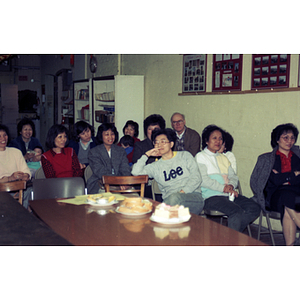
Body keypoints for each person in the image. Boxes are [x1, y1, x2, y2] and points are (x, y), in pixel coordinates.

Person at [195, 125, 261, 233]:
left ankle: (228, 235)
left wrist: (231, 185)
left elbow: (233, 176)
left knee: (254, 207)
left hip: (228, 195)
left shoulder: (223, 158)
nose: (218, 141)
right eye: (214, 138)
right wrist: (223, 188)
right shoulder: (200, 157)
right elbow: (203, 180)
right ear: (206, 140)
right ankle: (231, 239)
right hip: (210, 197)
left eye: (220, 138)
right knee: (236, 211)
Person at [132, 128, 204, 214]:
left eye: (163, 141)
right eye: (156, 142)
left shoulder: (185, 156)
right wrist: (147, 155)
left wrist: (182, 192)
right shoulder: (155, 166)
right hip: (170, 202)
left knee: (173, 199)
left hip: (193, 197)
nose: (159, 145)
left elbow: (196, 178)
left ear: (171, 144)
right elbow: (135, 172)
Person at [250, 123, 300, 246]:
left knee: (288, 207)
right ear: (277, 139)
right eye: (285, 137)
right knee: (286, 196)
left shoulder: (298, 157)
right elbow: (258, 182)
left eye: (292, 138)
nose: (290, 141)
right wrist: (294, 174)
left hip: (296, 195)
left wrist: (282, 177)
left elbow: (278, 179)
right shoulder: (266, 159)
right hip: (275, 197)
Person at [86, 123, 131, 194]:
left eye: (112, 134)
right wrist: (118, 181)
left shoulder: (120, 150)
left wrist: (124, 181)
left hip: (121, 184)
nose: (110, 137)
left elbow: (125, 168)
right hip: (100, 184)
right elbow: (100, 172)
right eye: (107, 134)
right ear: (101, 136)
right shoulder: (93, 152)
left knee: (134, 198)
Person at [132, 114, 166, 198]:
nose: (153, 131)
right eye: (150, 129)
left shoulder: (166, 145)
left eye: (156, 129)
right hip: (145, 183)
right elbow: (136, 164)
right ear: (146, 131)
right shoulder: (140, 145)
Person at [0, 124, 31, 209]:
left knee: (31, 190)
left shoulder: (16, 152)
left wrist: (25, 176)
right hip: (2, 191)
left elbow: (26, 171)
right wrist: (10, 178)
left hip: (18, 190)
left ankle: (23, 217)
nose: (3, 138)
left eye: (4, 135)